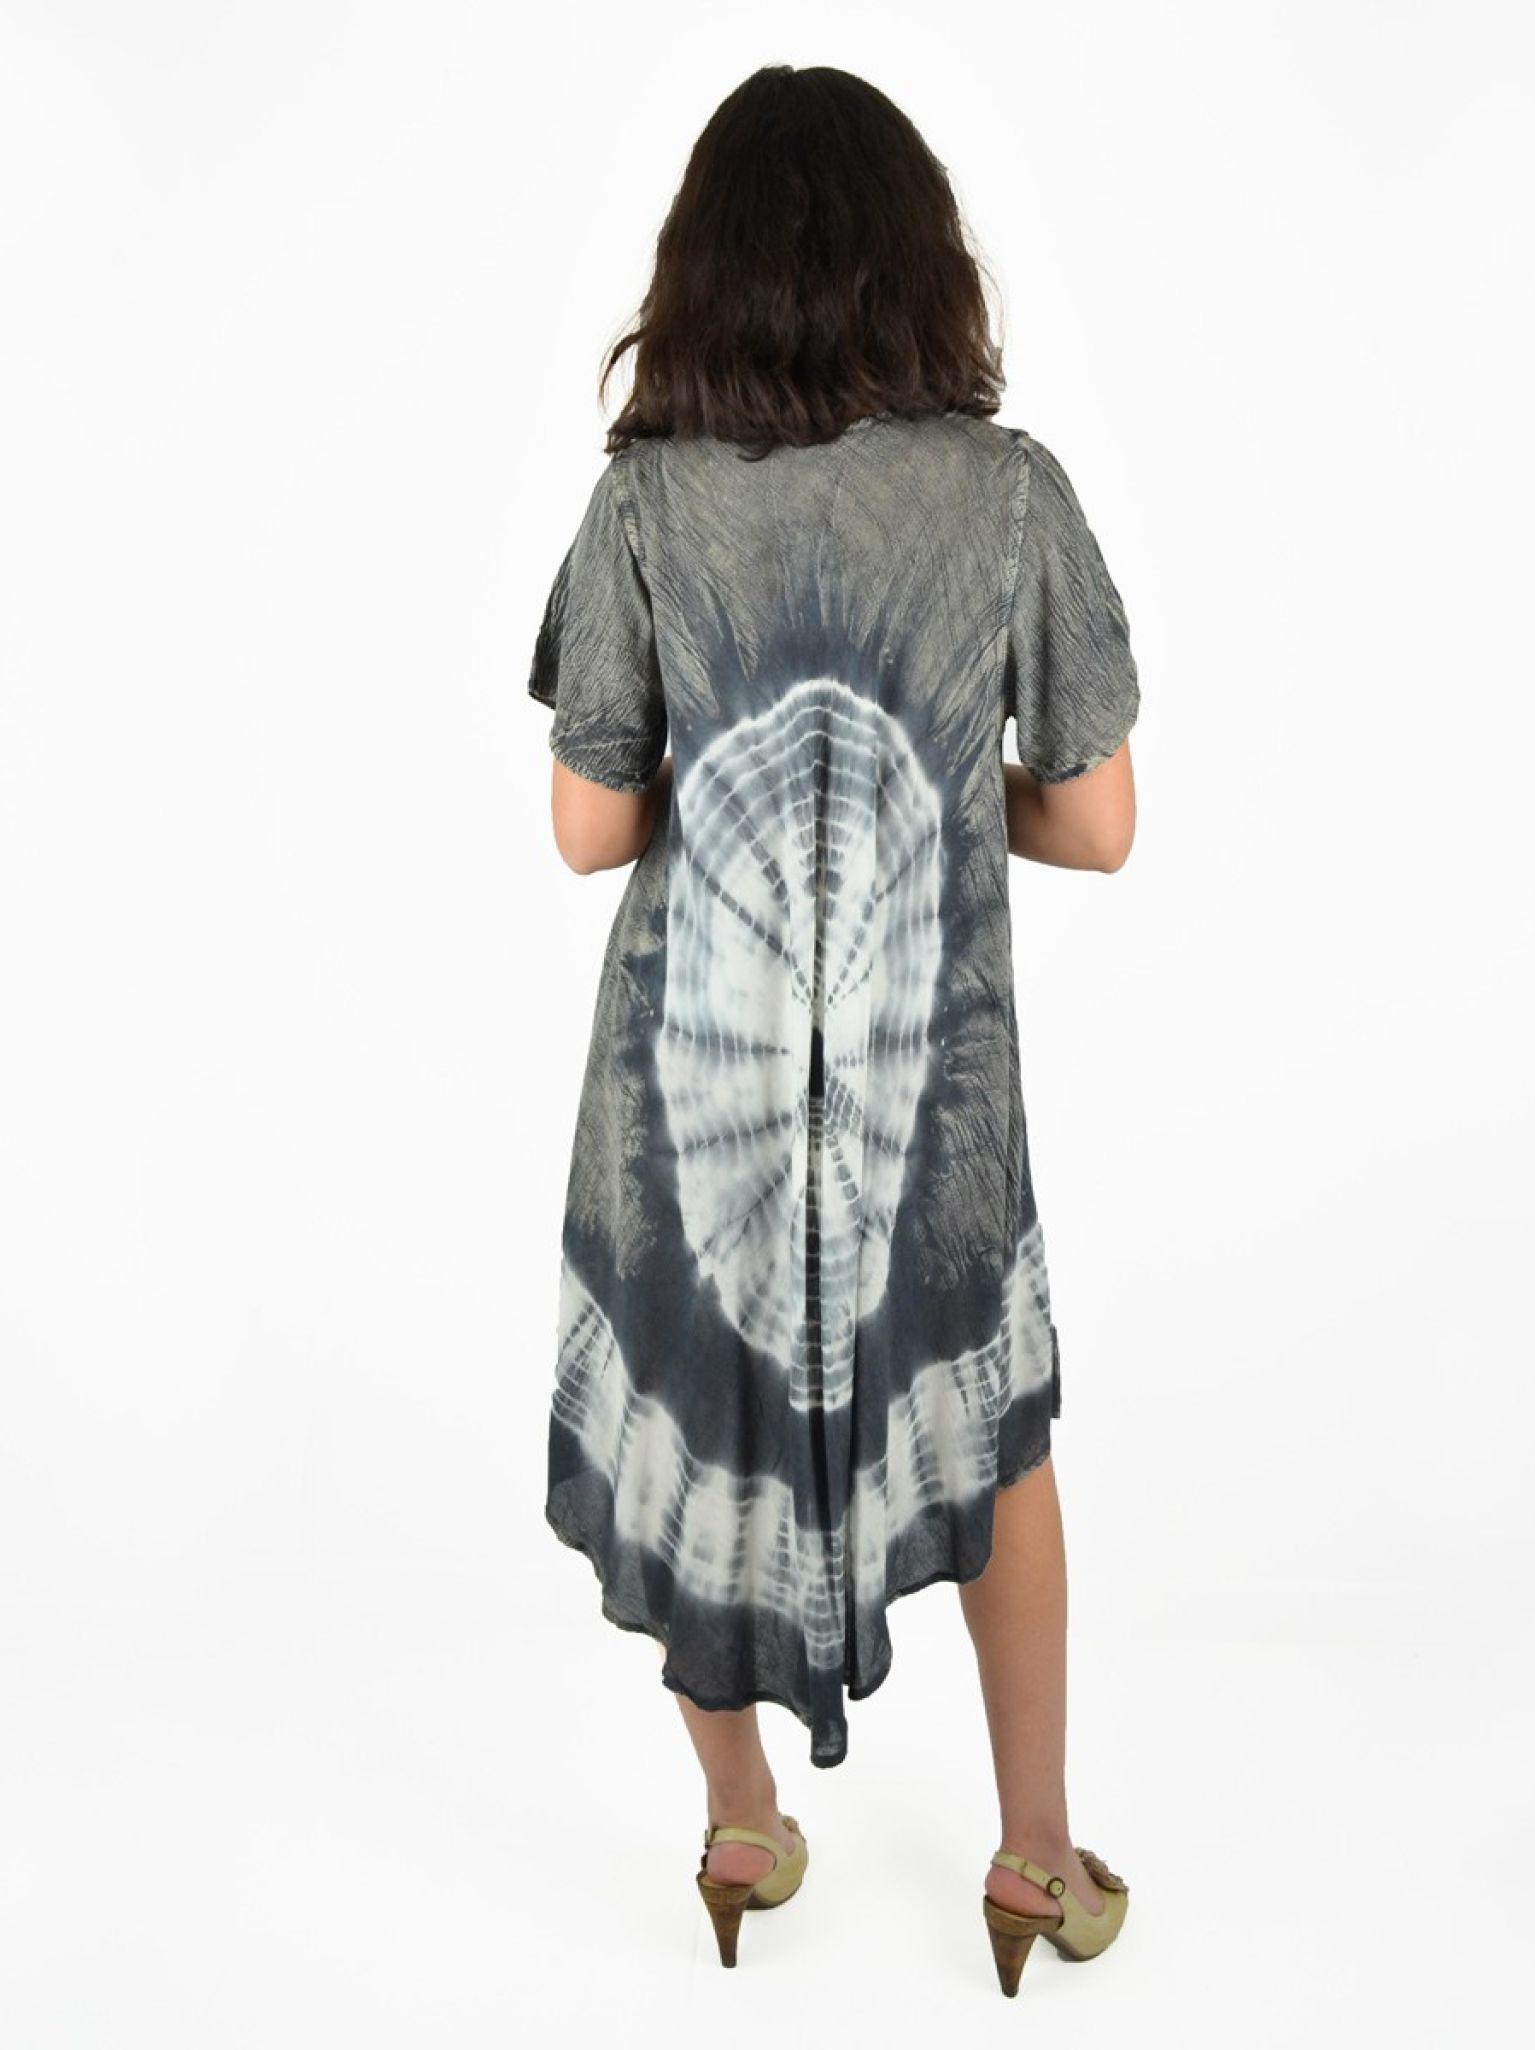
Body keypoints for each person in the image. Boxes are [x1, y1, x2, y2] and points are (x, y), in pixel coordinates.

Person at [526, 64, 1138, 1992]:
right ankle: (1036, 1859)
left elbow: (587, 828)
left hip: (683, 1091)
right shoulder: (1009, 493)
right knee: (997, 1447)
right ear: (917, 261)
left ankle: (740, 1825)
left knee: (687, 1450)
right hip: (929, 1100)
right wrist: (949, 794)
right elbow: (1100, 822)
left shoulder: (643, 501)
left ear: (701, 269)